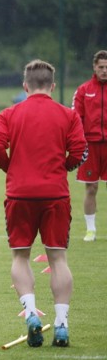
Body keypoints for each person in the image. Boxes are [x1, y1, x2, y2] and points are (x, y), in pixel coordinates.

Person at [0, 59, 87, 347]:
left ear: (25, 86)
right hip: (55, 194)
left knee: (20, 256)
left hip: (19, 194)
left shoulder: (10, 113)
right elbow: (80, 150)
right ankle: (62, 324)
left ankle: (31, 313)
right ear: (53, 86)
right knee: (57, 259)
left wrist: (11, 167)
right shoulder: (67, 115)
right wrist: (64, 166)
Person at [72, 50, 107, 242]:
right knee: (91, 188)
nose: (104, 70)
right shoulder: (84, 90)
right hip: (91, 146)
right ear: (94, 67)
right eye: (101, 67)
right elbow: (75, 117)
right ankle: (91, 230)